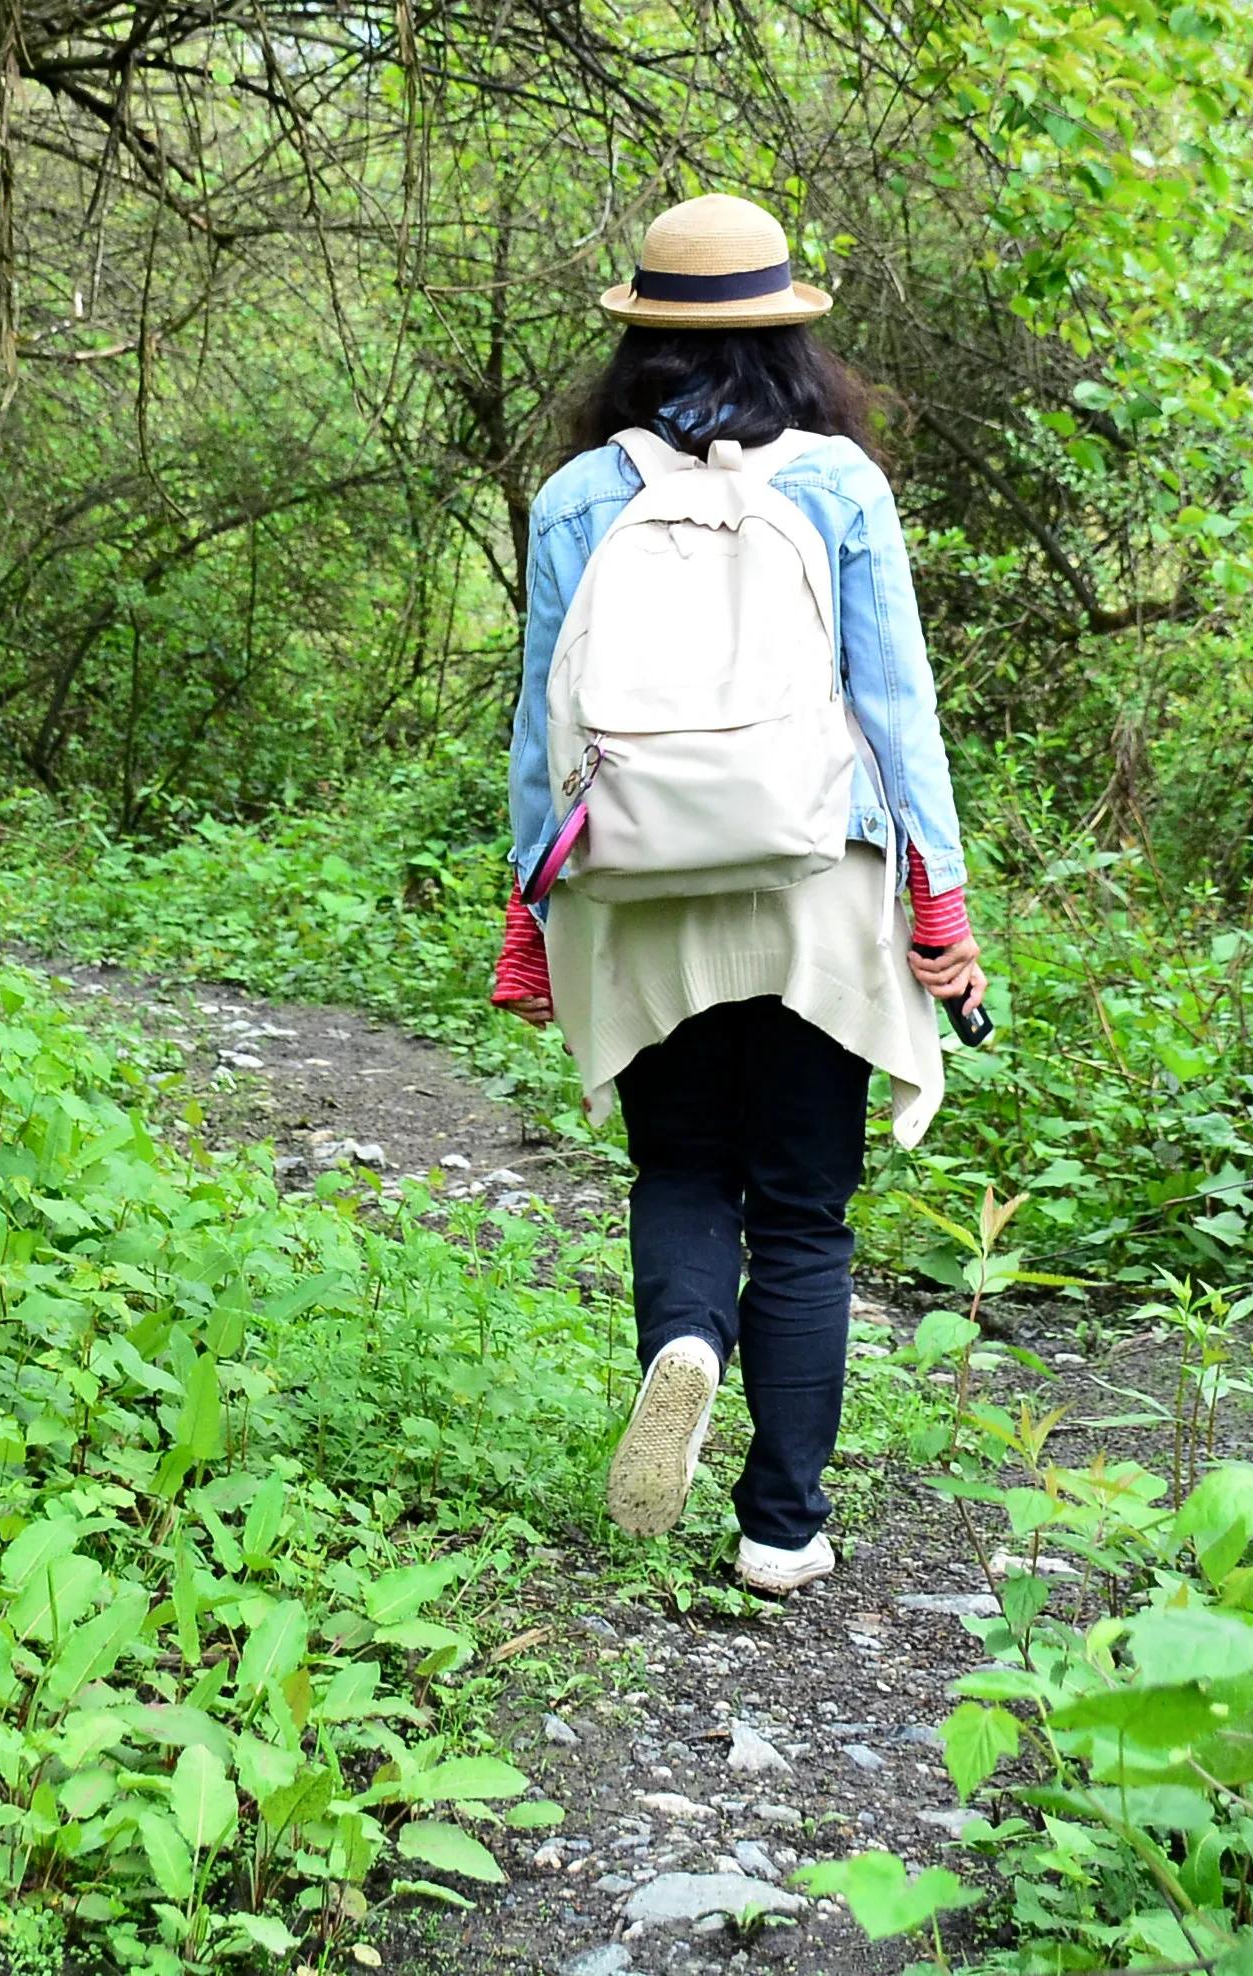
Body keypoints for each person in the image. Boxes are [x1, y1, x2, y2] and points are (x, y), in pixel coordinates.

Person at [496, 193, 985, 1596]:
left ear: (635, 340)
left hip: (642, 883)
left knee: (685, 1168)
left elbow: (546, 730)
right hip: (815, 886)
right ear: (792, 334)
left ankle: (684, 1343)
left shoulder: (583, 494)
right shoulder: (837, 485)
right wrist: (938, 902)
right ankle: (781, 1528)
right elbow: (898, 709)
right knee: (808, 1212)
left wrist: (531, 916)